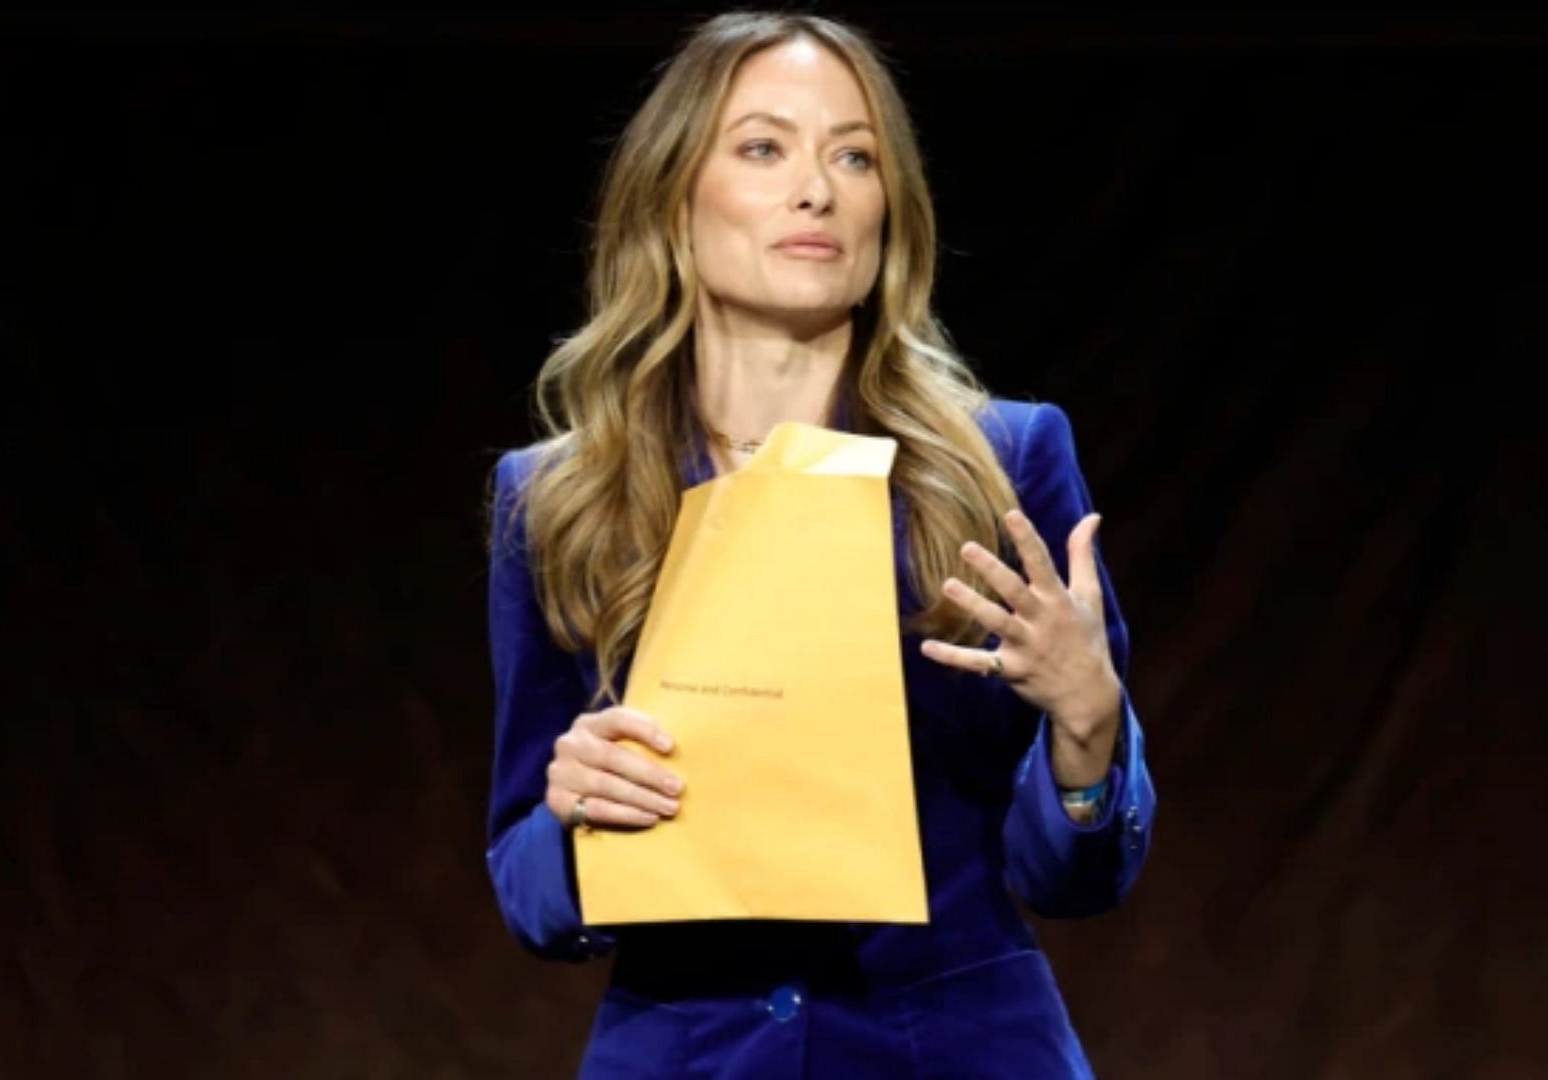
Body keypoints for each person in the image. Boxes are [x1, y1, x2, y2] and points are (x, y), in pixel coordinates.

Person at [484, 12, 1156, 1078]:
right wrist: (573, 817)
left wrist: (1088, 727)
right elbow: (528, 895)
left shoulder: (1003, 459)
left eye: (855, 155)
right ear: (672, 197)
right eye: (764, 148)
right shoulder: (557, 498)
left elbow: (1073, 878)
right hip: (687, 1051)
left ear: (891, 207)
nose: (819, 188)